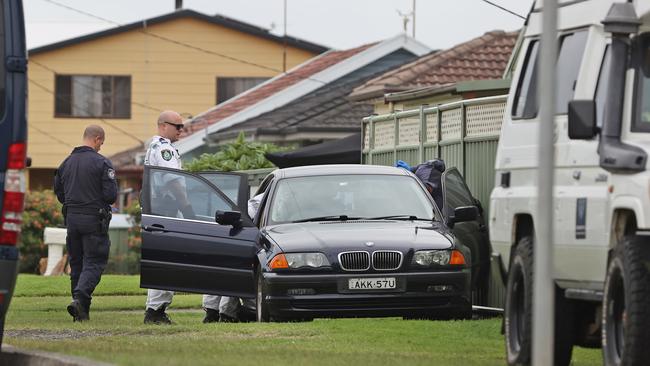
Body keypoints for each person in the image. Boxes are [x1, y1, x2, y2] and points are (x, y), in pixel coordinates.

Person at [142, 110, 225, 324]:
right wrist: (187, 209)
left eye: (183, 126)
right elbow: (174, 182)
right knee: (169, 261)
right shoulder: (164, 150)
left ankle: (155, 310)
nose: (181, 130)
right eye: (177, 126)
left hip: (162, 212)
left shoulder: (159, 147)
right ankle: (155, 311)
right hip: (167, 212)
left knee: (165, 261)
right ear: (163, 126)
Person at [54, 125, 117, 322]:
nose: (100, 147)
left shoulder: (66, 163)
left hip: (72, 219)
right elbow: (110, 196)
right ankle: (80, 298)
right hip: (93, 220)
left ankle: (80, 312)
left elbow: (59, 192)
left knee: (77, 263)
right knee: (95, 261)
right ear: (97, 139)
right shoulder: (102, 163)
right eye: (101, 143)